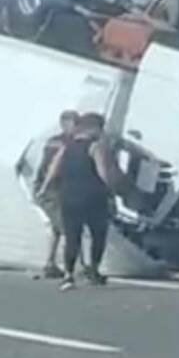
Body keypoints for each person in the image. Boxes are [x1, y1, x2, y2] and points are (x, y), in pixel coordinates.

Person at [38, 112, 113, 291]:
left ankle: (68, 275)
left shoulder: (67, 147)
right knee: (98, 234)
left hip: (69, 196)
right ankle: (93, 270)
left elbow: (54, 168)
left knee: (72, 237)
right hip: (93, 197)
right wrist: (111, 191)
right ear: (94, 128)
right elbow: (103, 172)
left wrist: (44, 188)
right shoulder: (95, 147)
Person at [34, 110, 79, 278]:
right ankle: (74, 266)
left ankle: (50, 262)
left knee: (56, 227)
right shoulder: (67, 143)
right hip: (53, 188)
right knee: (67, 228)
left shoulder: (53, 141)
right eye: (75, 123)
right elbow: (55, 166)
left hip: (48, 187)